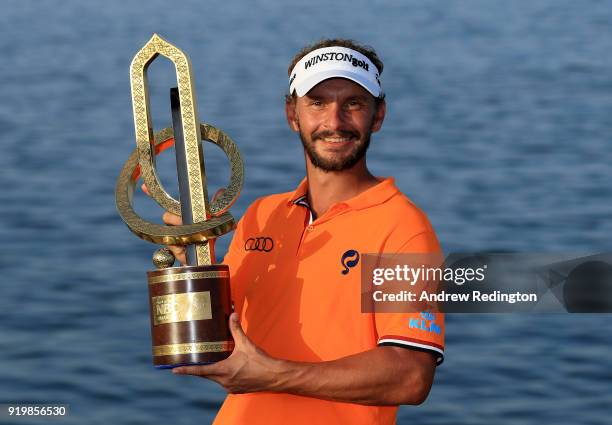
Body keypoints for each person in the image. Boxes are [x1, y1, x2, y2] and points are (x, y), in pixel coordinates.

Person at [158, 39, 445, 425]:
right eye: (317, 102)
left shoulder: (402, 227)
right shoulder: (263, 215)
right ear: (293, 114)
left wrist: (274, 374)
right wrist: (193, 259)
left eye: (354, 103)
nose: (335, 121)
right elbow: (221, 342)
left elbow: (411, 376)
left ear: (378, 116)